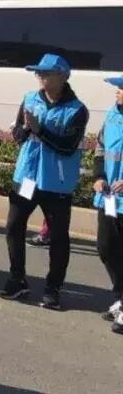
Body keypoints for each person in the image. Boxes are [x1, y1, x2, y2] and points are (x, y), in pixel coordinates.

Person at [0, 54, 89, 310]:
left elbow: (67, 147)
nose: (40, 76)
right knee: (13, 227)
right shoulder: (29, 99)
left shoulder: (77, 110)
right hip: (26, 178)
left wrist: (40, 130)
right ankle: (17, 279)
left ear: (62, 76)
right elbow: (18, 135)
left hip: (56, 183)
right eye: (38, 72)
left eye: (46, 73)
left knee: (58, 237)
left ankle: (53, 288)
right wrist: (27, 129)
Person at [92, 74, 123, 334]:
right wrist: (99, 176)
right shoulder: (112, 116)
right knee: (106, 248)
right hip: (110, 197)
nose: (117, 92)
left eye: (121, 89)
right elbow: (100, 150)